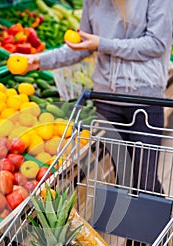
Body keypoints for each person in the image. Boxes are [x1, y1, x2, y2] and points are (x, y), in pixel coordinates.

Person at [10, 0, 173, 193]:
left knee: (146, 182)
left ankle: (157, 220)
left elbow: (156, 43)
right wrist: (38, 60)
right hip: (106, 102)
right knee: (123, 179)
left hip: (143, 100)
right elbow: (82, 45)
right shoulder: (93, 1)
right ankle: (132, 222)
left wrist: (102, 43)